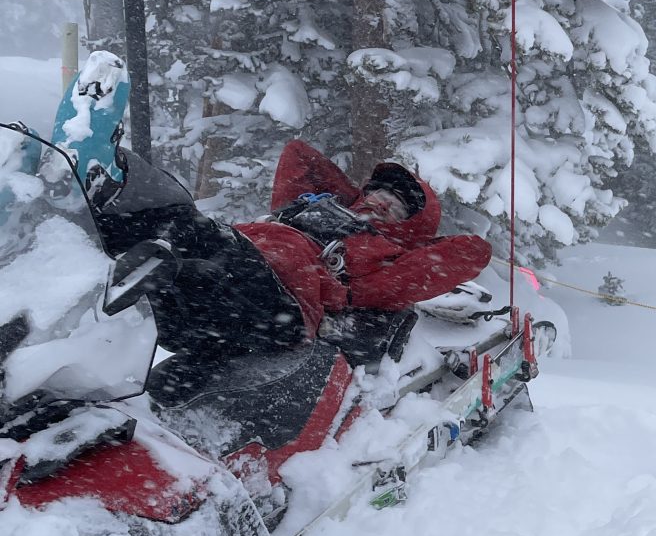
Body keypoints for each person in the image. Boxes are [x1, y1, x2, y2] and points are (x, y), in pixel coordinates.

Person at [91, 132, 492, 392]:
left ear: (410, 229)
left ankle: (123, 219)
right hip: (238, 269)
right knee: (181, 224)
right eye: (379, 193)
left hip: (282, 302)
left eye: (397, 206)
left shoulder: (392, 258)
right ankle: (96, 198)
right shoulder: (309, 210)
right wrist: (347, 203)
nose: (383, 201)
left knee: (189, 245)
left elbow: (472, 251)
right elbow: (296, 154)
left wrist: (413, 237)